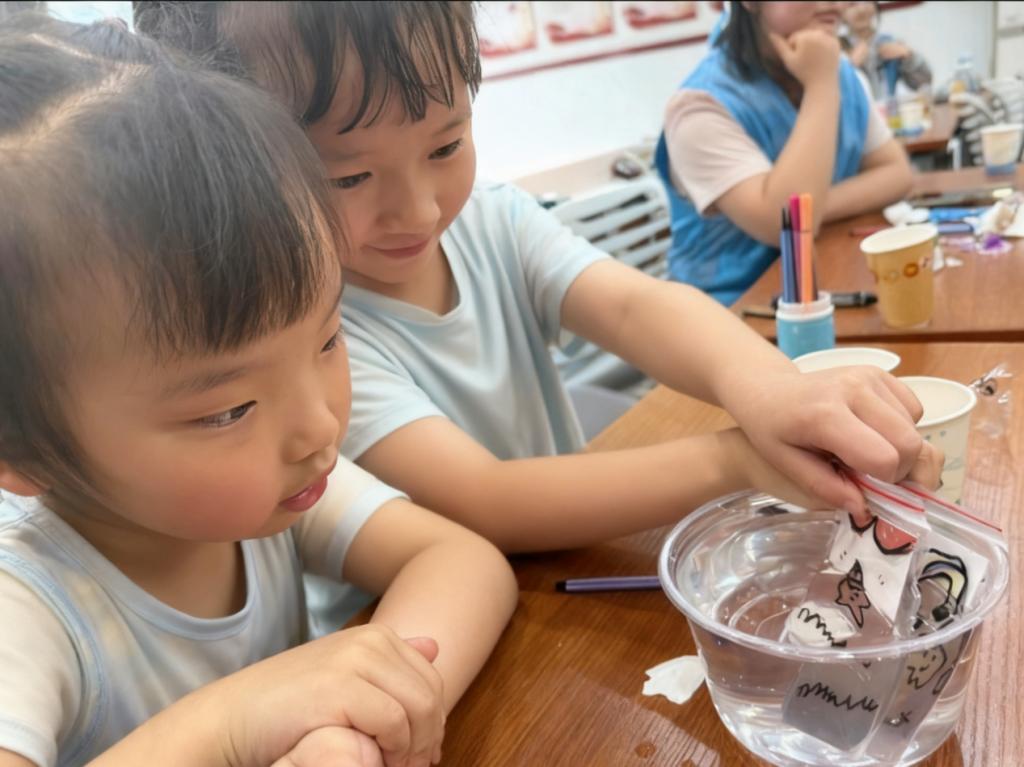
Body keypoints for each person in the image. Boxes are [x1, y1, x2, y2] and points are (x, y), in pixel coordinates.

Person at [135, 1, 941, 557]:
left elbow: (633, 304)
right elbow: (487, 498)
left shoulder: (489, 217)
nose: (418, 209)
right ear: (241, 169)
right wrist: (736, 461)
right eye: (347, 177)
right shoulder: (305, 337)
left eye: (446, 146)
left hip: (562, 572)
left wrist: (771, 389)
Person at [0, 16, 517, 767]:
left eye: (328, 340)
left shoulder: (272, 495)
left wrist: (359, 720)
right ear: (23, 451)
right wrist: (232, 722)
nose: (320, 426)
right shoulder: (27, 609)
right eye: (228, 410)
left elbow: (464, 561)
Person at [655, 0, 914, 305]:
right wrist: (820, 86)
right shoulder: (698, 105)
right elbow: (780, 225)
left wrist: (814, 208)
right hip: (735, 309)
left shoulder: (838, 71)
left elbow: (897, 174)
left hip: (828, 284)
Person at [841, 0, 932, 101]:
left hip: (888, 109)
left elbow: (923, 83)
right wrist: (850, 66)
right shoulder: (837, 49)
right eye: (852, 4)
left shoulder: (888, 41)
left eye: (866, 2)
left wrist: (909, 56)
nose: (861, 9)